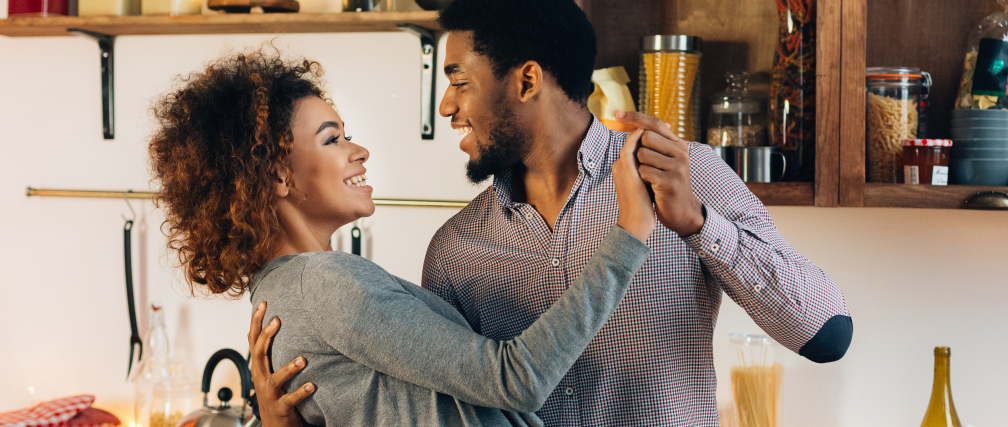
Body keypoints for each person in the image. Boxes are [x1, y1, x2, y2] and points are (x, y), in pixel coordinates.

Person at [254, 0, 854, 424]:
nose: (446, 106)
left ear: (528, 79)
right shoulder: (456, 250)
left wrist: (700, 224)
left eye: (459, 81)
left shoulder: (682, 175)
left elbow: (826, 333)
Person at [148, 48, 663, 426]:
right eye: (332, 139)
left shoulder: (283, 293)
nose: (359, 151)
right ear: (278, 176)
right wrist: (631, 231)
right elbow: (517, 380)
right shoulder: (326, 285)